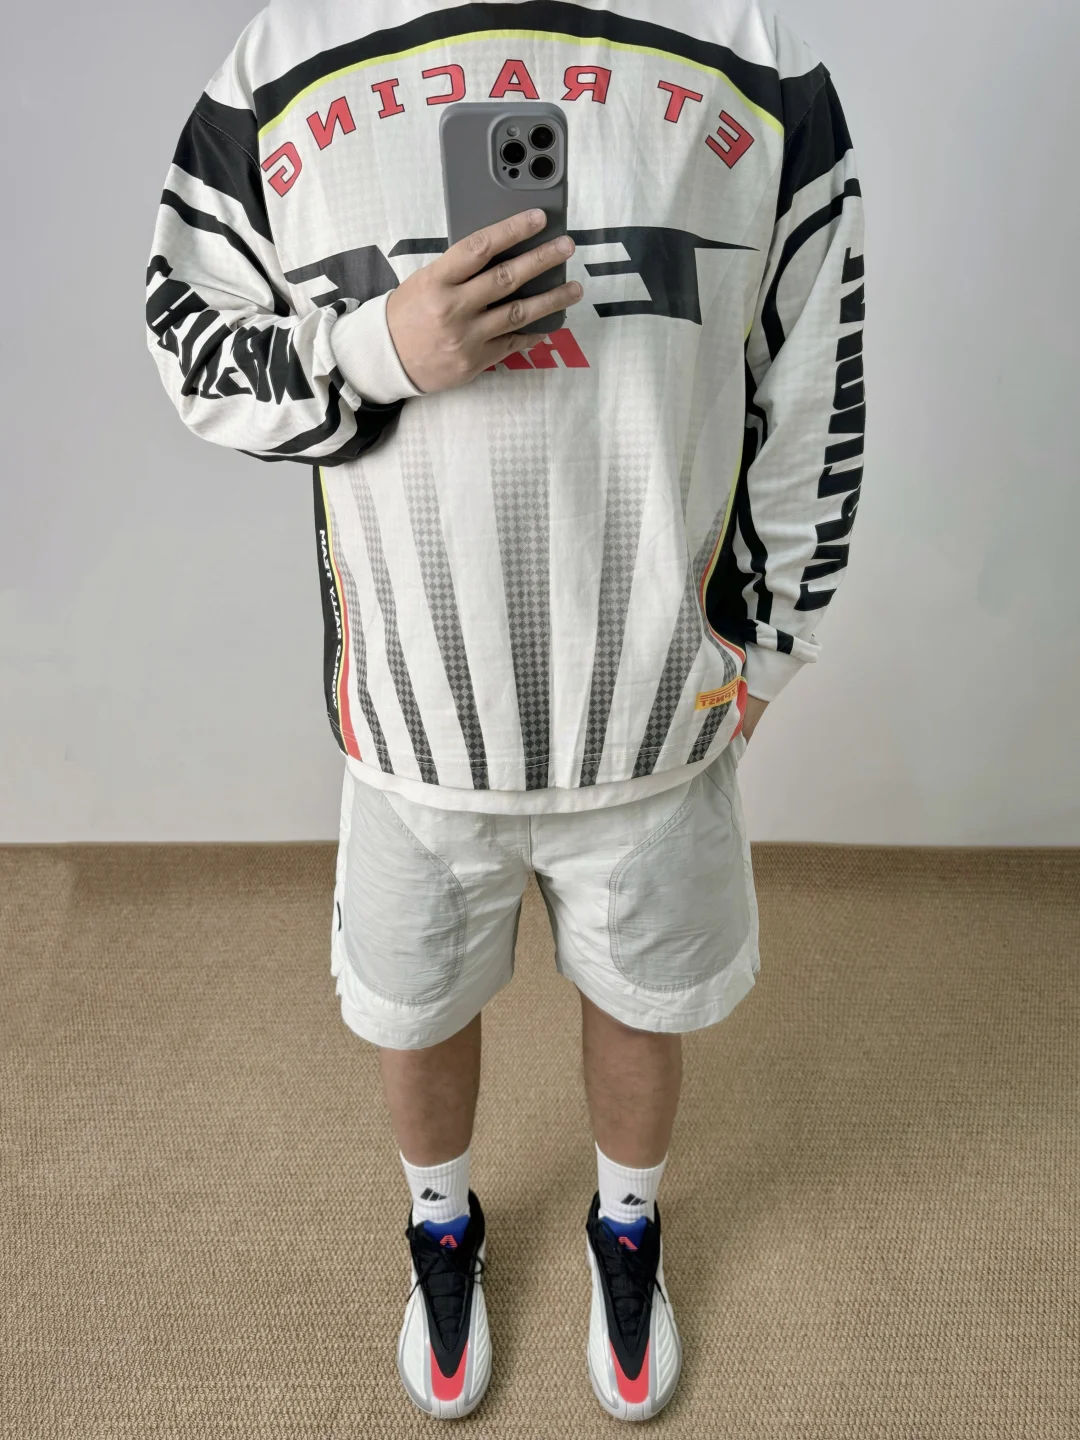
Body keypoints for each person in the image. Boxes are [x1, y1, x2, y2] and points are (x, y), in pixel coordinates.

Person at [146, 0, 864, 1421]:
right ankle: (442, 1225)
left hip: (655, 709)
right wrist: (378, 349)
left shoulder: (753, 49)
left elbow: (815, 376)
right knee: (416, 1008)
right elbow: (189, 345)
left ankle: (627, 1225)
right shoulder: (287, 53)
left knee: (643, 1001)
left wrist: (772, 642)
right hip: (416, 715)